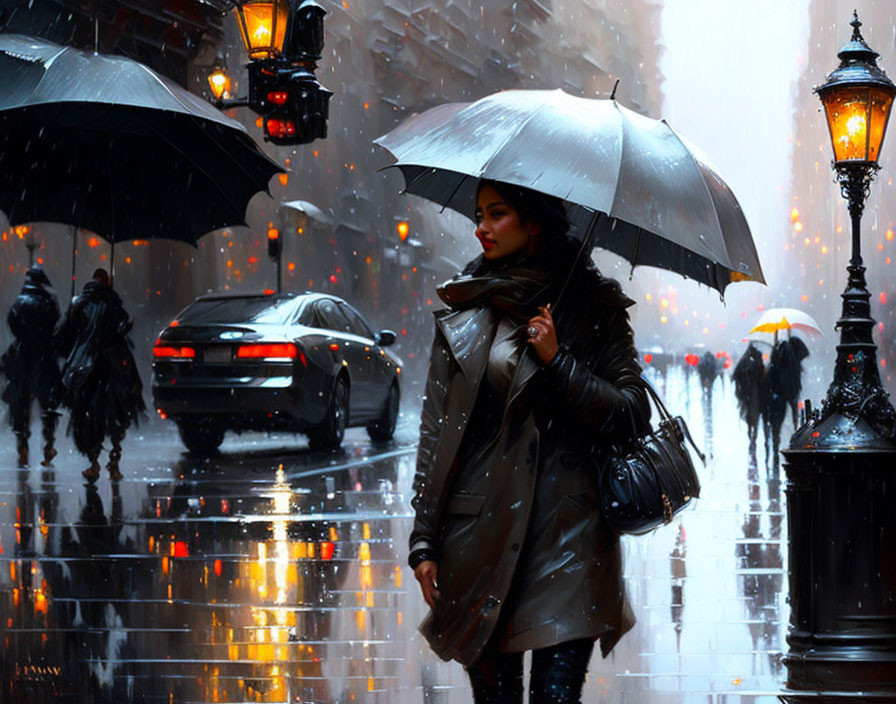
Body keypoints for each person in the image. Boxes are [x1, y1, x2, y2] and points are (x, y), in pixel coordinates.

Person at [409, 180, 650, 703]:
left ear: (533, 222)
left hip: (570, 539)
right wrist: (423, 540)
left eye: (497, 214)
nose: (481, 227)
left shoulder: (592, 306)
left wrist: (560, 362)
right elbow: (438, 431)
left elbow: (633, 413)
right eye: (479, 214)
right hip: (482, 536)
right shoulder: (466, 307)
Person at [56, 268, 145, 480]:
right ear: (107, 283)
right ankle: (114, 461)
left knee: (87, 413)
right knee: (116, 411)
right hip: (110, 367)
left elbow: (64, 335)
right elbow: (120, 329)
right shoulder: (111, 304)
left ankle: (94, 461)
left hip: (84, 367)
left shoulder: (80, 304)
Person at [0, 265, 62, 467]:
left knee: (21, 401)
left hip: (24, 357)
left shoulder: (20, 302)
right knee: (48, 402)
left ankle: (22, 443)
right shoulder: (47, 301)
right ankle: (48, 444)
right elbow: (55, 322)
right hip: (44, 356)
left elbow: (13, 324)